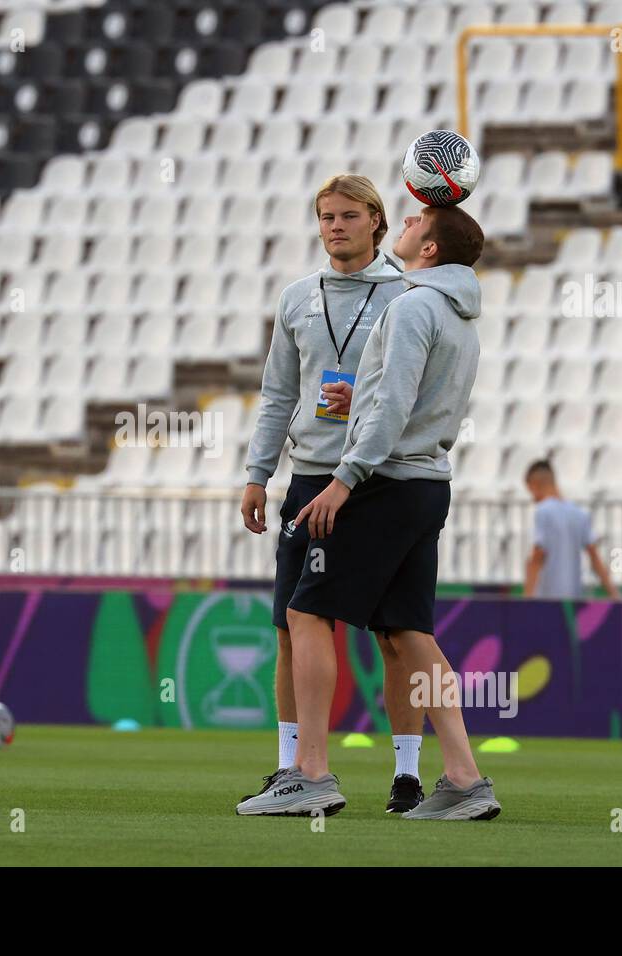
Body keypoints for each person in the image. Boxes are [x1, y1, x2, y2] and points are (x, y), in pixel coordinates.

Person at [237, 204, 500, 820]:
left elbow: (390, 412)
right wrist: (365, 399)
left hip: (384, 481)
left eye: (415, 224)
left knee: (305, 612)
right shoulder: (460, 315)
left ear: (430, 249)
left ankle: (311, 773)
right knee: (410, 632)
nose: (407, 224)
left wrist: (344, 480)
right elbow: (419, 400)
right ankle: (464, 777)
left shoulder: (409, 306)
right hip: (430, 482)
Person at [238, 175, 428, 814]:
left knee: (395, 630)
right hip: (312, 477)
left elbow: (416, 397)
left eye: (348, 215)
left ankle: (407, 773)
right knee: (293, 626)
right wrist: (256, 474)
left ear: (377, 220)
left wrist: (363, 407)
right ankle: (293, 764)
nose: (334, 226)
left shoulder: (407, 297)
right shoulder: (297, 298)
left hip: (381, 480)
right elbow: (277, 396)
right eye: (325, 216)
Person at [523, 460, 621, 600]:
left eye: (530, 490)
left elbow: (538, 554)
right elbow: (595, 557)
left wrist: (527, 596)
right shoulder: (579, 513)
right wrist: (613, 593)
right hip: (573, 599)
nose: (532, 498)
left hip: (547, 600)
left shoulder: (543, 511)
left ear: (535, 484)